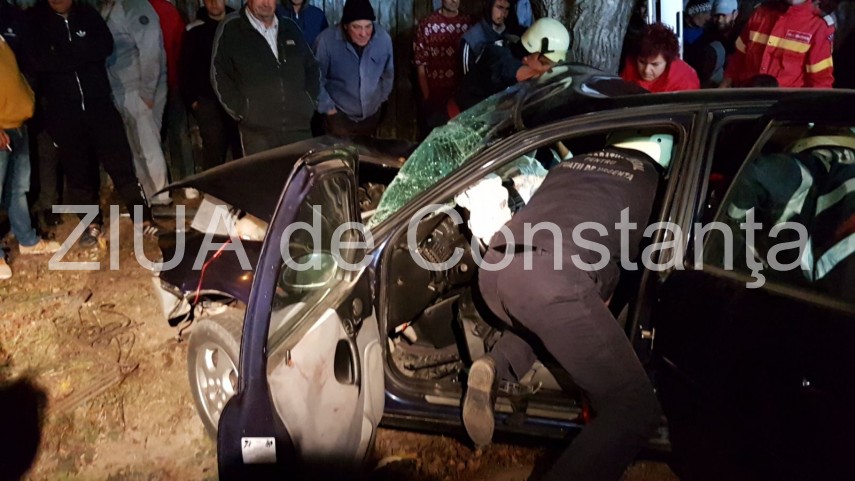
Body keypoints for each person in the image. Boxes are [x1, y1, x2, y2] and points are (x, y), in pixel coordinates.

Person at [464, 132, 668, 481]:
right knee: (634, 407)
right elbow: (630, 268)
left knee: (546, 321)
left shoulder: (571, 164)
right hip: (550, 278)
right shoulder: (653, 185)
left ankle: (495, 364)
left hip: (495, 266)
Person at [24, 0, 157, 247]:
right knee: (78, 173)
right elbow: (39, 61)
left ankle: (143, 217)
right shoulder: (36, 21)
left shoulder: (87, 14)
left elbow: (104, 46)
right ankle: (92, 224)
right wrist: (79, 53)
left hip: (100, 107)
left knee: (121, 165)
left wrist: (64, 53)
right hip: (63, 113)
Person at [212, 0, 320, 155]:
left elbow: (312, 67)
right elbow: (219, 74)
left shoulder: (290, 27)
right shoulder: (231, 28)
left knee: (301, 171)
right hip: (257, 134)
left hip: (299, 129)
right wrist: (243, 111)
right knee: (262, 172)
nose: (266, 2)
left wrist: (308, 102)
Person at [0, 35, 61, 280]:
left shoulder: (2, 40)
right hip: (2, 128)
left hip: (16, 125)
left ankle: (27, 239)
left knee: (17, 189)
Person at [99, 0, 171, 206]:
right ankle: (147, 196)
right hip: (120, 88)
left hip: (137, 88)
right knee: (134, 149)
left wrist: (147, 91)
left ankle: (161, 197)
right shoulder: (109, 6)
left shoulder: (135, 6)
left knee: (148, 146)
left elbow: (150, 49)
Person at [453, 17, 570, 113]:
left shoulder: (518, 57)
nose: (549, 70)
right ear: (529, 56)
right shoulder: (496, 55)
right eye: (545, 64)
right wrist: (542, 73)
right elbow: (506, 70)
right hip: (453, 125)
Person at [314, 0, 393, 138]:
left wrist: (379, 100)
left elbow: (388, 74)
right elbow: (316, 78)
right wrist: (329, 109)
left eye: (368, 26)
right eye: (356, 27)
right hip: (338, 117)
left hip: (371, 116)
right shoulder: (326, 41)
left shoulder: (383, 39)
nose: (363, 33)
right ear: (345, 26)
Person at [180, 0, 240, 170]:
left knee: (240, 147)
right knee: (213, 149)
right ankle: (213, 186)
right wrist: (192, 100)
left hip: (235, 97)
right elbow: (185, 67)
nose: (214, 3)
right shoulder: (194, 30)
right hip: (208, 100)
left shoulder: (238, 24)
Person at [720, 0, 835, 88]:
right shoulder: (759, 13)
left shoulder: (818, 26)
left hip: (785, 109)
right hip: (747, 102)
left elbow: (820, 83)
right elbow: (737, 60)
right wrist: (724, 87)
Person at [149, 0, 194, 188]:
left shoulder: (166, 11)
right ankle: (185, 180)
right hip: (159, 83)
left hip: (163, 82)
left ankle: (170, 182)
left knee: (162, 134)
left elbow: (180, 47)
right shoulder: (166, 10)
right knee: (175, 133)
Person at [414, 0, 473, 133]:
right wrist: (427, 97)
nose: (454, 1)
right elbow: (420, 64)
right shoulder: (427, 25)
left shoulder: (468, 24)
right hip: (436, 96)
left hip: (461, 95)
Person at [621, 22, 700, 93]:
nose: (646, 70)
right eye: (642, 62)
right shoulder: (630, 65)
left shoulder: (685, 81)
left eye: (655, 64)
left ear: (669, 62)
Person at [685, 0, 740, 87]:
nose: (720, 20)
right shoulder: (705, 38)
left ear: (735, 14)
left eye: (724, 15)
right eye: (716, 16)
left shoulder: (740, 36)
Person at [460, 0, 511, 76]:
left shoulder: (507, 35)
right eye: (500, 7)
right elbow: (467, 78)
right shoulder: (472, 38)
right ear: (489, 7)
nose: (503, 14)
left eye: (507, 9)